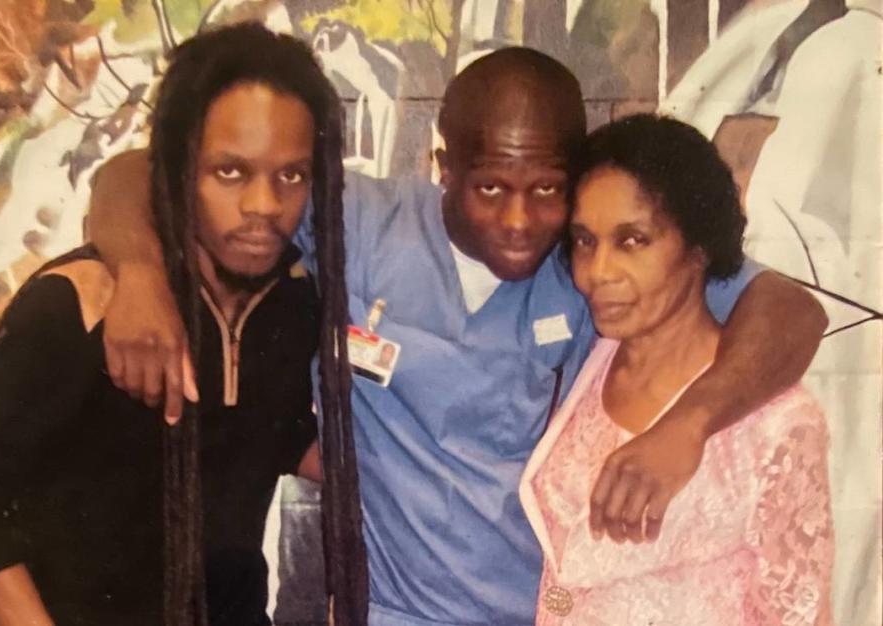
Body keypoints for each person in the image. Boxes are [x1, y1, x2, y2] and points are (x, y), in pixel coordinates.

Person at [89, 48, 827, 625]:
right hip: (389, 611)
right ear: (443, 168)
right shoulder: (359, 223)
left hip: (541, 611)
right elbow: (134, 176)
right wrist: (139, 274)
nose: (517, 221)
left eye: (546, 190)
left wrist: (692, 426)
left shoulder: (597, 262)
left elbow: (793, 311)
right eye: (490, 188)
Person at [0, 23, 366, 626]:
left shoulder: (292, 298)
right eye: (230, 172)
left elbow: (268, 429)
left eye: (290, 175)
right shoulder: (85, 305)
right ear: (180, 165)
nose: (264, 204)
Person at [520, 114, 833, 625]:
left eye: (632, 241)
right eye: (585, 241)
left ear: (698, 248)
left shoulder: (776, 423)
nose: (598, 272)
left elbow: (800, 612)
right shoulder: (590, 362)